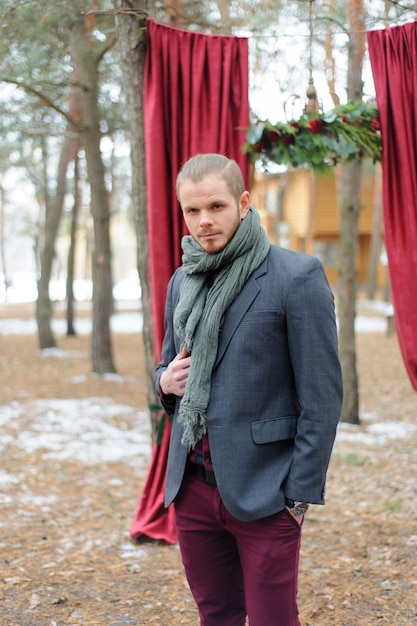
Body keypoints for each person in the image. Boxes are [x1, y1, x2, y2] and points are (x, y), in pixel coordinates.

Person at [155, 153, 343, 626]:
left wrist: (296, 498)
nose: (204, 221)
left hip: (265, 491)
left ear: (243, 203)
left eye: (216, 206)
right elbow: (165, 367)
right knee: (216, 616)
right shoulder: (183, 281)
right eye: (192, 211)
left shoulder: (295, 278)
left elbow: (322, 400)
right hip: (193, 488)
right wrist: (163, 381)